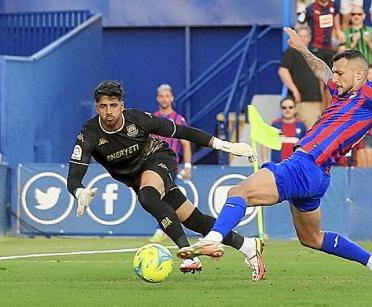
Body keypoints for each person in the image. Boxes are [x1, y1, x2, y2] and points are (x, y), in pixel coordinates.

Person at [177, 27, 372, 287]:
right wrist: (302, 48)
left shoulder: (371, 91)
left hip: (305, 163)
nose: (334, 79)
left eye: (341, 73)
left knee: (239, 192)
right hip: (318, 176)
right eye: (335, 73)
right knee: (311, 238)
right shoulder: (341, 91)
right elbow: (321, 70)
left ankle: (212, 240)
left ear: (359, 75)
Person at [67, 81, 266, 280]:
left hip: (158, 159)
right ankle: (248, 246)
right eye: (103, 106)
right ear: (97, 108)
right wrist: (79, 192)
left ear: (122, 106)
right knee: (197, 221)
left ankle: (188, 255)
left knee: (147, 196)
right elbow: (74, 176)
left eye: (113, 105)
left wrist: (226, 146)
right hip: (137, 179)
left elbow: (182, 131)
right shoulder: (90, 133)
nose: (109, 111)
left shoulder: (137, 119)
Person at [149, 84, 192, 244]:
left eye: (167, 96)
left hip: (171, 163)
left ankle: (161, 230)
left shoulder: (178, 119)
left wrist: (187, 166)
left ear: (172, 98)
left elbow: (186, 144)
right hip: (153, 163)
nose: (164, 99)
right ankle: (165, 228)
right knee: (161, 197)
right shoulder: (153, 118)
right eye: (162, 96)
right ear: (158, 98)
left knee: (160, 195)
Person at [278, 26, 325, 128]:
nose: (303, 39)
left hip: (315, 100)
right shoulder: (291, 53)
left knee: (314, 130)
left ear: (309, 38)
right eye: (300, 37)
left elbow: (320, 75)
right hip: (302, 100)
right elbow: (282, 71)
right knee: (308, 132)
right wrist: (294, 90)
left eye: (305, 36)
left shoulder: (314, 54)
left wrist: (321, 95)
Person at [270, 97, 307, 163]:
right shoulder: (275, 125)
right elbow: (265, 143)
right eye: (284, 107)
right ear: (280, 109)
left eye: (290, 107)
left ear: (295, 109)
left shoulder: (302, 125)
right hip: (278, 165)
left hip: (296, 165)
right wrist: (265, 160)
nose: (287, 110)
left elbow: (307, 146)